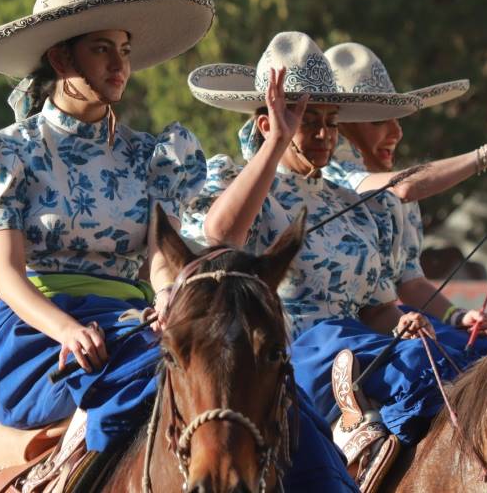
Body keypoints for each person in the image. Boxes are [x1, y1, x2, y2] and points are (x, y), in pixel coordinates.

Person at [0, 0, 214, 455]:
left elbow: (160, 258)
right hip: (31, 328)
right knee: (148, 380)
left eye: (124, 51)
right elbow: (10, 276)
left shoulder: (155, 157)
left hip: (128, 322)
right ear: (61, 59)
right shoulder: (6, 155)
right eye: (102, 50)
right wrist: (69, 330)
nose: (120, 66)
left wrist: (166, 296)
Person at [183, 31, 444, 490]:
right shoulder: (233, 182)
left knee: (456, 355)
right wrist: (278, 144)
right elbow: (220, 235)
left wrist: (405, 321)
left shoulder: (351, 202)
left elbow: (380, 305)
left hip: (361, 346)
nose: (324, 133)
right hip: (289, 359)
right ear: (266, 123)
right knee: (416, 370)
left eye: (330, 119)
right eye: (305, 119)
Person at [322, 41, 487, 334]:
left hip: (394, 325)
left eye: (398, 119)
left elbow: (411, 281)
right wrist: (486, 155)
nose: (397, 132)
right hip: (335, 339)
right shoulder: (330, 178)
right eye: (379, 120)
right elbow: (403, 187)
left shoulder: (396, 195)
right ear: (341, 129)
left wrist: (458, 316)